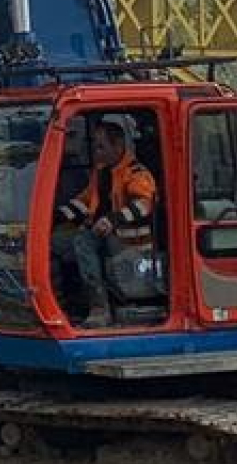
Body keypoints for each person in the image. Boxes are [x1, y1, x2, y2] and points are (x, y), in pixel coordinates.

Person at [49, 117, 159, 327]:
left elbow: (146, 204)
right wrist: (53, 218)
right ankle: (66, 304)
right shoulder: (101, 172)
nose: (96, 152)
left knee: (83, 240)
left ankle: (99, 307)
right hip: (102, 233)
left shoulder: (136, 173)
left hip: (128, 241)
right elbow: (84, 202)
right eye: (94, 146)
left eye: (101, 146)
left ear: (118, 146)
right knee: (55, 243)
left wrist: (112, 219)